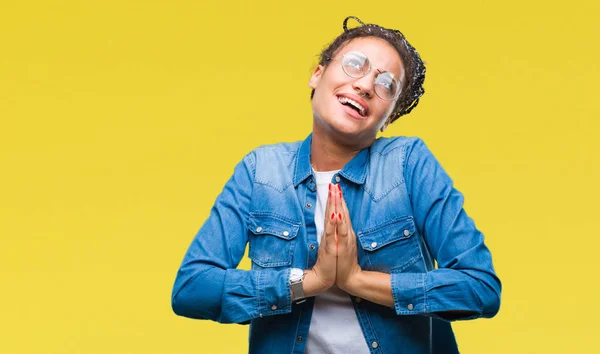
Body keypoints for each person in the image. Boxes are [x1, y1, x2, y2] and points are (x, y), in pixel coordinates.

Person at [171, 16, 501, 354]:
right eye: (355, 64)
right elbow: (192, 289)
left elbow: (480, 287)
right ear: (317, 74)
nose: (365, 86)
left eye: (386, 85)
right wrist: (308, 282)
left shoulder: (408, 163)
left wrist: (357, 281)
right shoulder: (261, 171)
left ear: (389, 117)